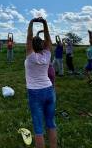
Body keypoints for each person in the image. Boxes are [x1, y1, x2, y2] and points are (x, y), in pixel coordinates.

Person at [25, 17, 57, 148]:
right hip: (49, 90)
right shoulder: (47, 54)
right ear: (43, 45)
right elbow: (49, 39)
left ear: (32, 45)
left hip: (35, 93)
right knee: (51, 123)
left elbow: (28, 37)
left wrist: (31, 22)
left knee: (38, 127)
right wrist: (45, 23)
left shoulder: (31, 56)